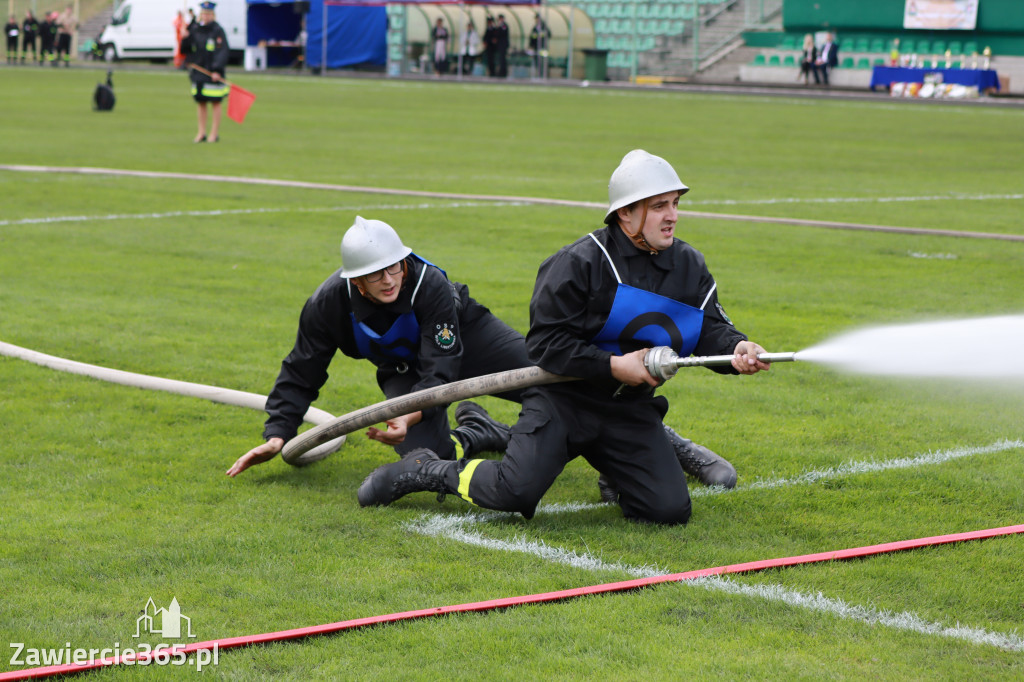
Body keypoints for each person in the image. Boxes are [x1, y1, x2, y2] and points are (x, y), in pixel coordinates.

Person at [358, 150, 772, 525]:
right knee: (513, 492)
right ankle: (425, 469)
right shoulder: (579, 263)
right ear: (626, 214)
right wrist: (613, 367)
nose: (673, 216)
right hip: (563, 401)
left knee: (668, 511)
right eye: (659, 205)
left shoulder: (689, 264)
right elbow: (545, 346)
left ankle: (616, 474)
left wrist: (737, 347)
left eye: (675, 204)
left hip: (627, 411)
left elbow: (709, 328)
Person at [226, 216, 531, 477]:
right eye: (375, 273)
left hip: (466, 337)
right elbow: (302, 369)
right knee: (430, 459)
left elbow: (441, 370)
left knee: (544, 376)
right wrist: (277, 435)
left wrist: (407, 414)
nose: (388, 280)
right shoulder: (327, 304)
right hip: (404, 368)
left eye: (394, 267)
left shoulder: (430, 284)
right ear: (356, 281)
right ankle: (477, 431)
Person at [181, 1, 229, 143]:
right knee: (201, 102)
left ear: (213, 15)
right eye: (204, 13)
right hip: (198, 72)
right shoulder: (195, 28)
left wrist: (217, 70)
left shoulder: (217, 30)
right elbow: (186, 49)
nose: (206, 16)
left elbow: (222, 51)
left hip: (212, 73)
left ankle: (214, 133)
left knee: (215, 102)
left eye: (208, 14)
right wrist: (184, 37)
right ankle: (201, 132)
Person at [494, 14, 509, 78]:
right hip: (500, 45)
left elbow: (502, 34)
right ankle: (500, 71)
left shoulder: (504, 26)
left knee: (503, 59)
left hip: (503, 45)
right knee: (500, 59)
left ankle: (503, 72)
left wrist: (498, 27)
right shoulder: (499, 26)